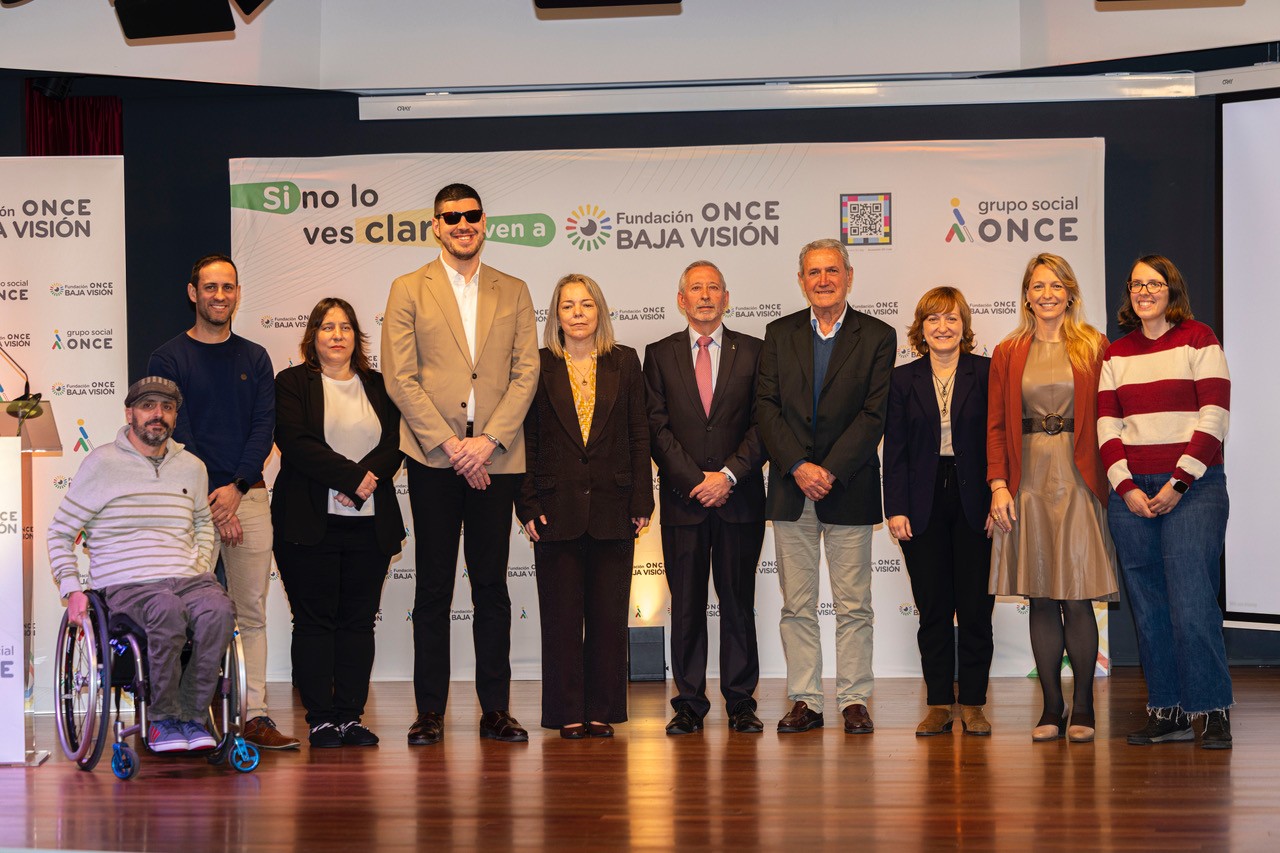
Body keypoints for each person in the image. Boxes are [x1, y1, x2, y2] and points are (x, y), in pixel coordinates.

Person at [381, 183, 539, 746]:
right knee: (433, 588)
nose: (462, 224)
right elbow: (400, 377)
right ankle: (430, 711)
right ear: (436, 225)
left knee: (493, 588)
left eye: (471, 215)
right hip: (434, 460)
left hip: (497, 458)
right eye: (452, 217)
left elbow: (526, 374)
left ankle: (496, 709)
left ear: (484, 221)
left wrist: (488, 441)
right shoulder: (407, 289)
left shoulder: (514, 290)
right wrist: (453, 446)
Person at [148, 254, 297, 750]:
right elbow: (174, 429)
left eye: (228, 287)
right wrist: (214, 498)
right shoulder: (168, 358)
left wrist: (235, 488)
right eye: (210, 287)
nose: (219, 296)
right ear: (193, 293)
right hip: (188, 501)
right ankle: (184, 717)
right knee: (184, 610)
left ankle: (255, 715)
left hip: (247, 496)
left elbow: (263, 428)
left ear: (237, 293)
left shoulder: (254, 358)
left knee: (251, 611)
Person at [47, 377, 234, 753]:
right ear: (130, 413)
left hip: (187, 577)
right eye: (148, 406)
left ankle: (193, 718)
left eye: (166, 408)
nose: (157, 415)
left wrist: (197, 564)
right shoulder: (102, 463)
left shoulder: (192, 467)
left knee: (220, 609)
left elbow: (202, 523)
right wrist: (71, 588)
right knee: (165, 609)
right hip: (127, 583)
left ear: (175, 418)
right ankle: (163, 721)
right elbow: (60, 531)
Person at [756, 238, 896, 735]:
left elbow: (873, 415)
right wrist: (797, 464)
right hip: (792, 488)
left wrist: (828, 469)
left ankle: (855, 699)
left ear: (849, 276)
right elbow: (766, 409)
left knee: (854, 603)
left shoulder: (878, 335)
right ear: (801, 280)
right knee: (797, 604)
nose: (823, 280)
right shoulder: (778, 333)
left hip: (849, 486)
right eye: (813, 272)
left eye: (831, 271)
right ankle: (806, 701)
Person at [1098, 255, 1233, 749]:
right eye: (1136, 284)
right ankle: (1168, 711)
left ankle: (1211, 710)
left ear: (1171, 289)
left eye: (1153, 283)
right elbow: (1106, 427)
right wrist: (1126, 486)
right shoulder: (1116, 353)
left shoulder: (1200, 338)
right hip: (1132, 492)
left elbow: (1214, 416)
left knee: (1193, 601)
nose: (1143, 291)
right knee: (1150, 607)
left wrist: (1177, 483)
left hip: (1194, 488)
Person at [987, 252, 1118, 744]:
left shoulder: (1094, 346)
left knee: (1078, 596)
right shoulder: (1008, 350)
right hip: (1028, 481)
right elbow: (996, 426)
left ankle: (1083, 705)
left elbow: (1108, 417)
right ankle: (1052, 708)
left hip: (1081, 477)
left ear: (1070, 293)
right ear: (1026, 294)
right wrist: (999, 484)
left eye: (1056, 286)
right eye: (1038, 286)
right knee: (1041, 596)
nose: (1047, 294)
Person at [516, 273, 653, 739]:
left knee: (608, 618)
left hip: (615, 506)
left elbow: (639, 434)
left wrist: (642, 497)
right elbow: (525, 441)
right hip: (554, 510)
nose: (577, 313)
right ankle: (566, 711)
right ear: (555, 314)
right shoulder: (537, 366)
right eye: (568, 305)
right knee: (559, 619)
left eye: (586, 304)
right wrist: (527, 503)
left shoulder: (625, 362)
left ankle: (603, 709)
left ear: (600, 311)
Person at [272, 298, 405, 749]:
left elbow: (395, 442)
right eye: (327, 327)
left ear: (356, 336)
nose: (336, 335)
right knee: (314, 622)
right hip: (309, 523)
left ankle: (350, 716)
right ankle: (321, 719)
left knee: (357, 622)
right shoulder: (292, 383)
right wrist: (352, 478)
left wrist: (363, 483)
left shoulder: (378, 384)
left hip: (370, 526)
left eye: (345, 327)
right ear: (312, 336)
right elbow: (295, 441)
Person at [643, 260, 766, 736]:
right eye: (696, 288)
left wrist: (728, 476)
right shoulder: (658, 354)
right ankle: (689, 702)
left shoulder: (755, 352)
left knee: (738, 604)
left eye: (714, 287)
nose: (706, 295)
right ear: (682, 300)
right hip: (684, 502)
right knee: (688, 607)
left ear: (727, 297)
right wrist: (697, 480)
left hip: (739, 502)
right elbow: (655, 427)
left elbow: (764, 424)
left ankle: (741, 702)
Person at [882, 287, 995, 736]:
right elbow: (895, 450)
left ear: (964, 327)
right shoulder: (902, 379)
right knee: (932, 610)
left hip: (977, 503)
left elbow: (998, 440)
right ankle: (937, 704)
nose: (942, 327)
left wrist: (997, 496)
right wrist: (896, 509)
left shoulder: (986, 373)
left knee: (975, 609)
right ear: (921, 329)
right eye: (933, 320)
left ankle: (972, 703)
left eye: (951, 319)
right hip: (922, 503)